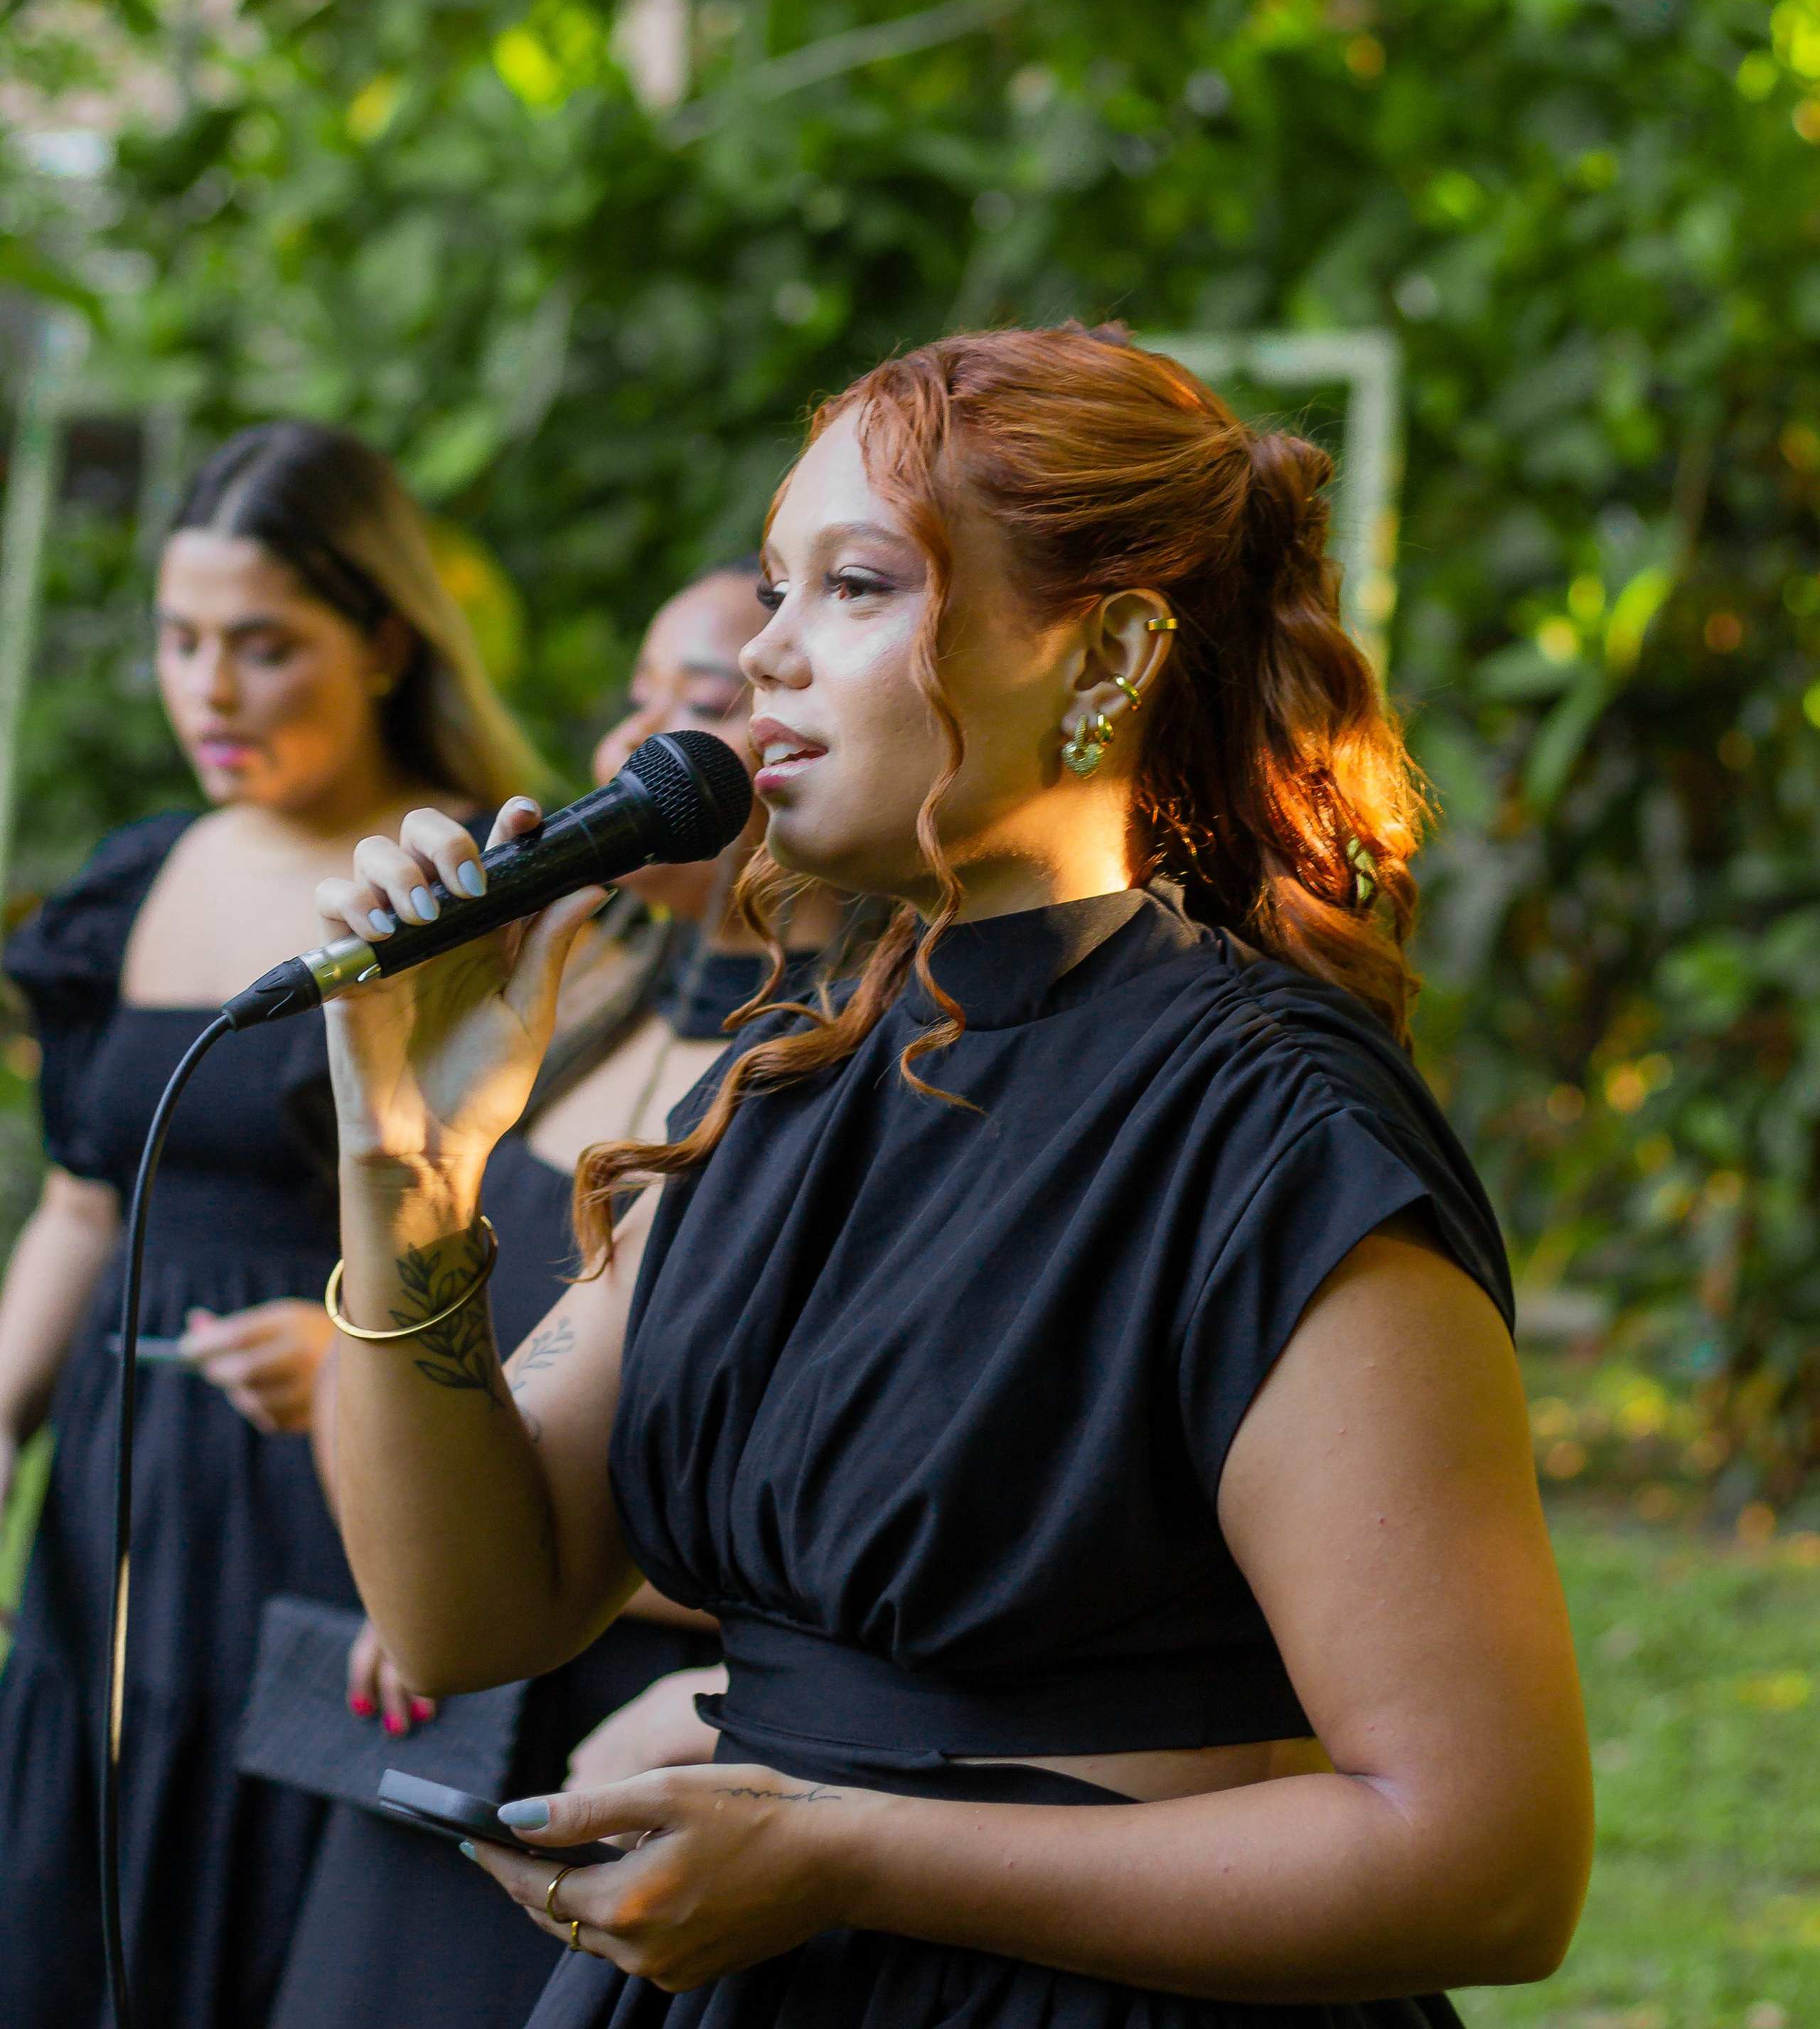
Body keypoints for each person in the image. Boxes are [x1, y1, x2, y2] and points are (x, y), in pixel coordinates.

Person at [308, 325, 1594, 2029]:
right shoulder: (782, 1084)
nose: (763, 658)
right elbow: (469, 1608)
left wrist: (847, 1855)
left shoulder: (1273, 1133)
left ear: (1107, 657)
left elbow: (1485, 1862)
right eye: (774, 590)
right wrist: (409, 1164)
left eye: (851, 588)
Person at [0, 421, 542, 2029]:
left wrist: (355, 1342)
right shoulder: (139, 879)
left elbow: (537, 1216)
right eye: (181, 643)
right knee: (70, 1893)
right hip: (117, 1498)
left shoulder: (455, 888)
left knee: (272, 1926)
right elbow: (88, 1201)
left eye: (262, 646)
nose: (210, 693)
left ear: (381, 642)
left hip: (337, 1491)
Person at [265, 562, 856, 2029]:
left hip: (647, 1731)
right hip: (439, 1705)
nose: (635, 743)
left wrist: (546, 1537)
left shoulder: (834, 1069)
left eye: (700, 703)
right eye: (636, 700)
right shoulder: (571, 999)